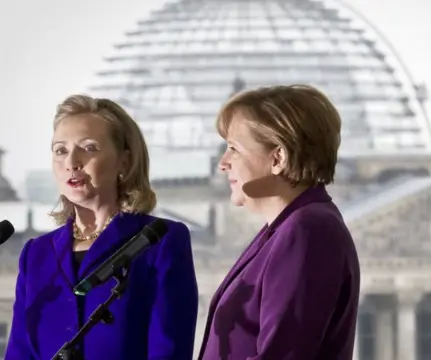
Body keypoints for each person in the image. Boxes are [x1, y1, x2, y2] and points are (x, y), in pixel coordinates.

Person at [5, 95, 199, 359]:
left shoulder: (160, 241)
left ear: (125, 161)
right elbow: (21, 351)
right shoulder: (35, 254)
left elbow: (169, 349)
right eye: (60, 150)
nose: (71, 162)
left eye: (89, 148)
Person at [198, 84, 361, 360]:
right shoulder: (285, 229)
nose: (223, 163)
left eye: (234, 149)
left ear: (278, 158)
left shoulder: (308, 232)